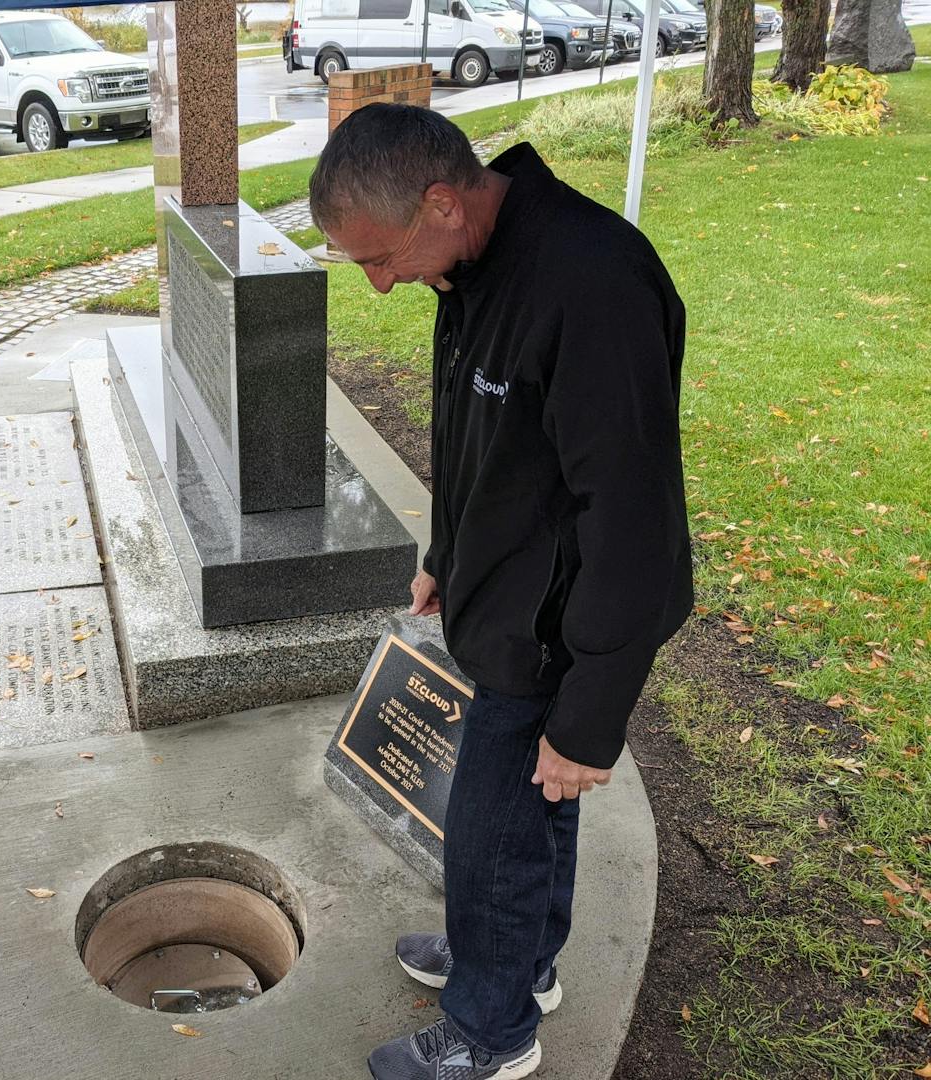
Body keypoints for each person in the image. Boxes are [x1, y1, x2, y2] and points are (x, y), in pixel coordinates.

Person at [309, 103, 692, 1080]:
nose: (383, 284)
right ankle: (520, 961)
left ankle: (493, 1031)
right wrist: (445, 550)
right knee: (523, 816)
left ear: (442, 202)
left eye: (378, 258)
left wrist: (591, 718)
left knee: (489, 831)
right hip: (501, 594)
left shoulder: (588, 284)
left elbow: (634, 519)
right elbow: (479, 443)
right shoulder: (475, 265)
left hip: (553, 625)